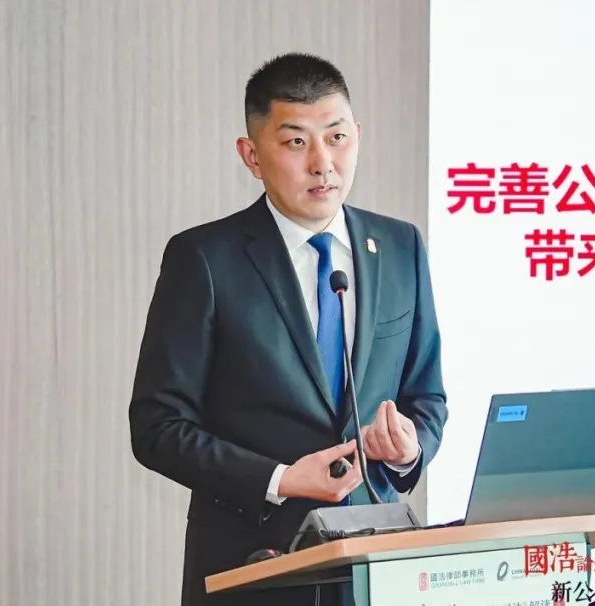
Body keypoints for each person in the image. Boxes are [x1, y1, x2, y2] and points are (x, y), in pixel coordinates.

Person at [128, 52, 448, 606]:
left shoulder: (401, 247)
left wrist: (406, 449)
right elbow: (157, 426)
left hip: (373, 567)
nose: (323, 164)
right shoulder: (204, 259)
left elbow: (427, 397)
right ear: (252, 156)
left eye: (337, 138)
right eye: (296, 142)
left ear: (357, 137)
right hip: (251, 568)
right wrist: (280, 478)